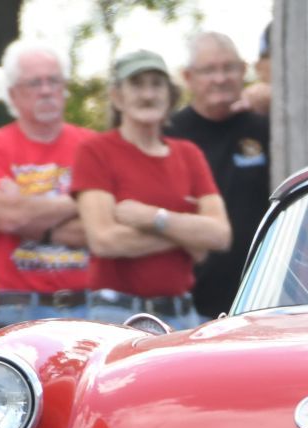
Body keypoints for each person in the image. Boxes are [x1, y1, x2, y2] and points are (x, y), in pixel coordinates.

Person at [74, 49, 232, 330]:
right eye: (136, 84)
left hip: (181, 313)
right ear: (117, 96)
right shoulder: (95, 151)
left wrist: (153, 218)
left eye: (156, 84)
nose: (148, 94)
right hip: (116, 314)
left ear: (170, 95)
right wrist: (188, 236)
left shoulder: (188, 154)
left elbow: (220, 235)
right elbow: (104, 240)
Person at [0, 40, 94, 330]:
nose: (46, 90)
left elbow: (103, 227)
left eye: (53, 80)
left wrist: (27, 206)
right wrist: (79, 200)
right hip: (18, 308)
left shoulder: (93, 146)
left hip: (89, 306)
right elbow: (9, 217)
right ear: (13, 93)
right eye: (34, 83)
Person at [167, 32, 271, 318]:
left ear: (243, 71)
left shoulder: (266, 127)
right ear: (188, 77)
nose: (220, 78)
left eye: (229, 68)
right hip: (189, 305)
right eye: (209, 70)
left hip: (259, 299)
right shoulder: (169, 135)